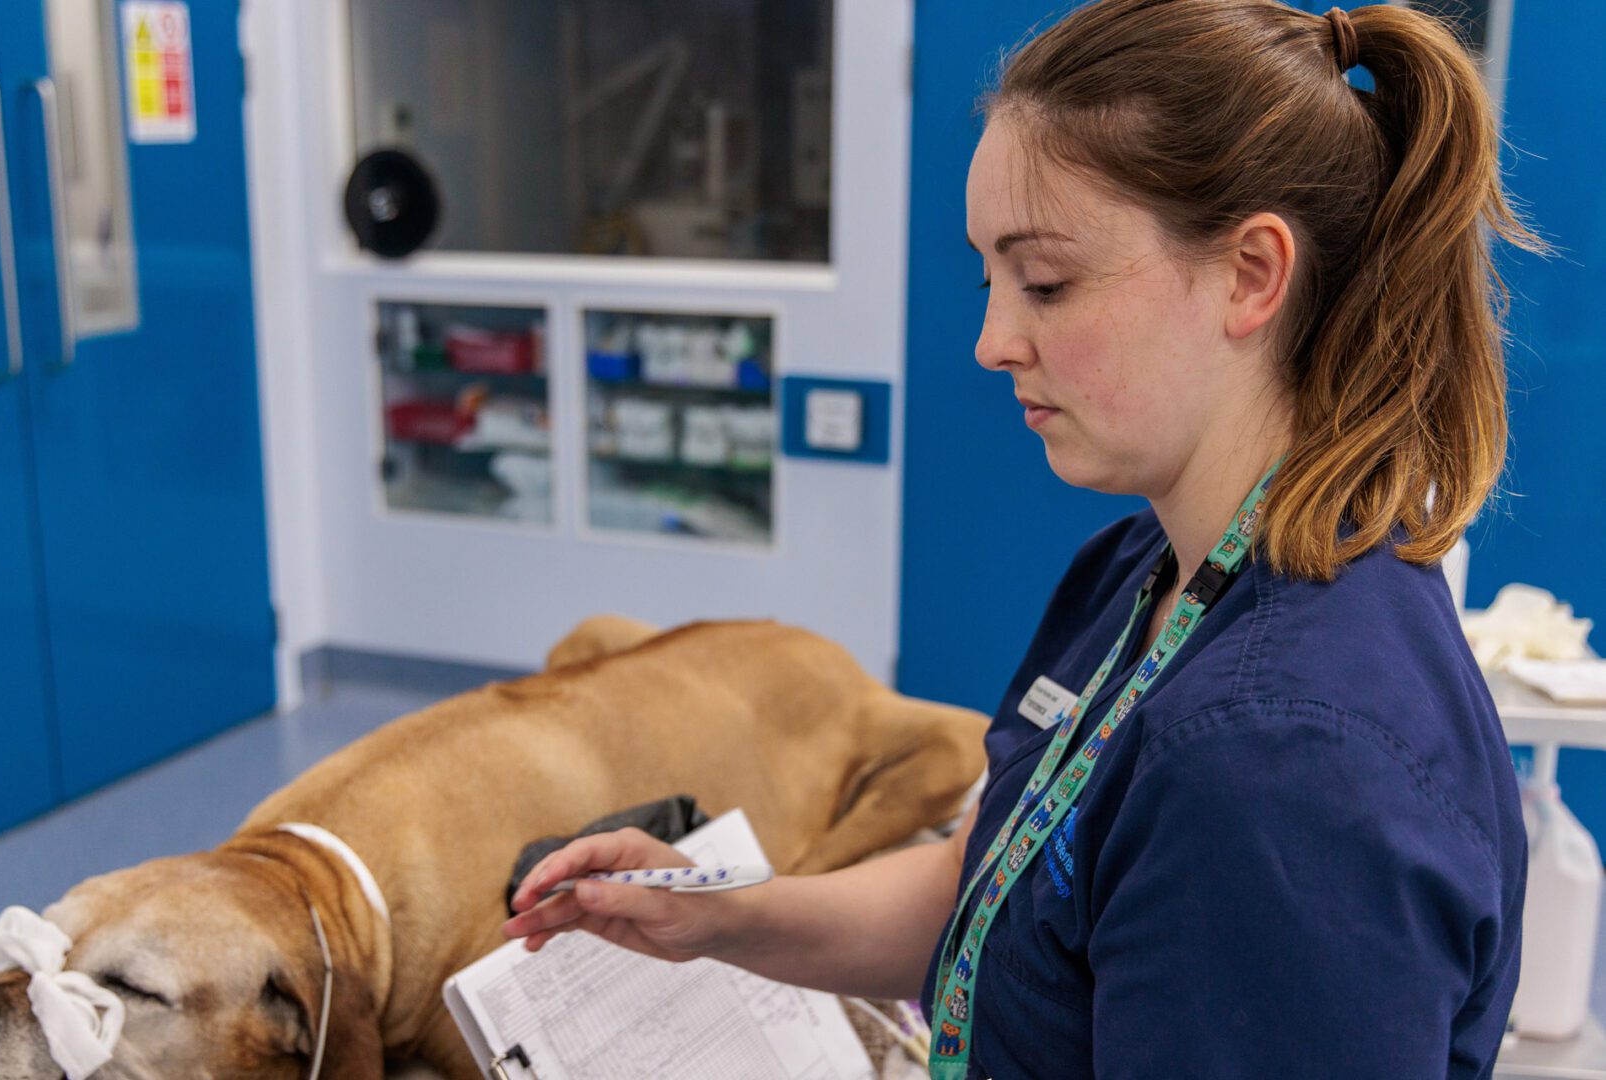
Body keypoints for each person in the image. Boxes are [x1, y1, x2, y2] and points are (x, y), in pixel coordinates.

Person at [503, 2, 1542, 1075]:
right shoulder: (1144, 573)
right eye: (989, 279)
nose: (994, 341)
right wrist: (727, 918)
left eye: (1046, 283)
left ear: (1251, 275)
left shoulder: (1284, 763)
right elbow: (992, 891)